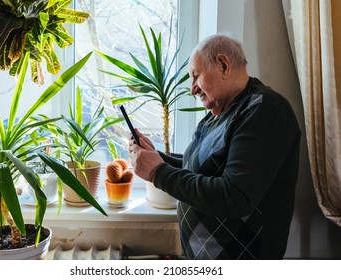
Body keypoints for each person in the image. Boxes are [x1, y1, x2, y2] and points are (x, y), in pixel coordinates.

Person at [129, 34, 301, 260]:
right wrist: (156, 157)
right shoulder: (218, 113)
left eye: (196, 76)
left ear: (223, 65)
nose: (192, 89)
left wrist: (158, 172)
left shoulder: (264, 110)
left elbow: (235, 196)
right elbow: (203, 167)